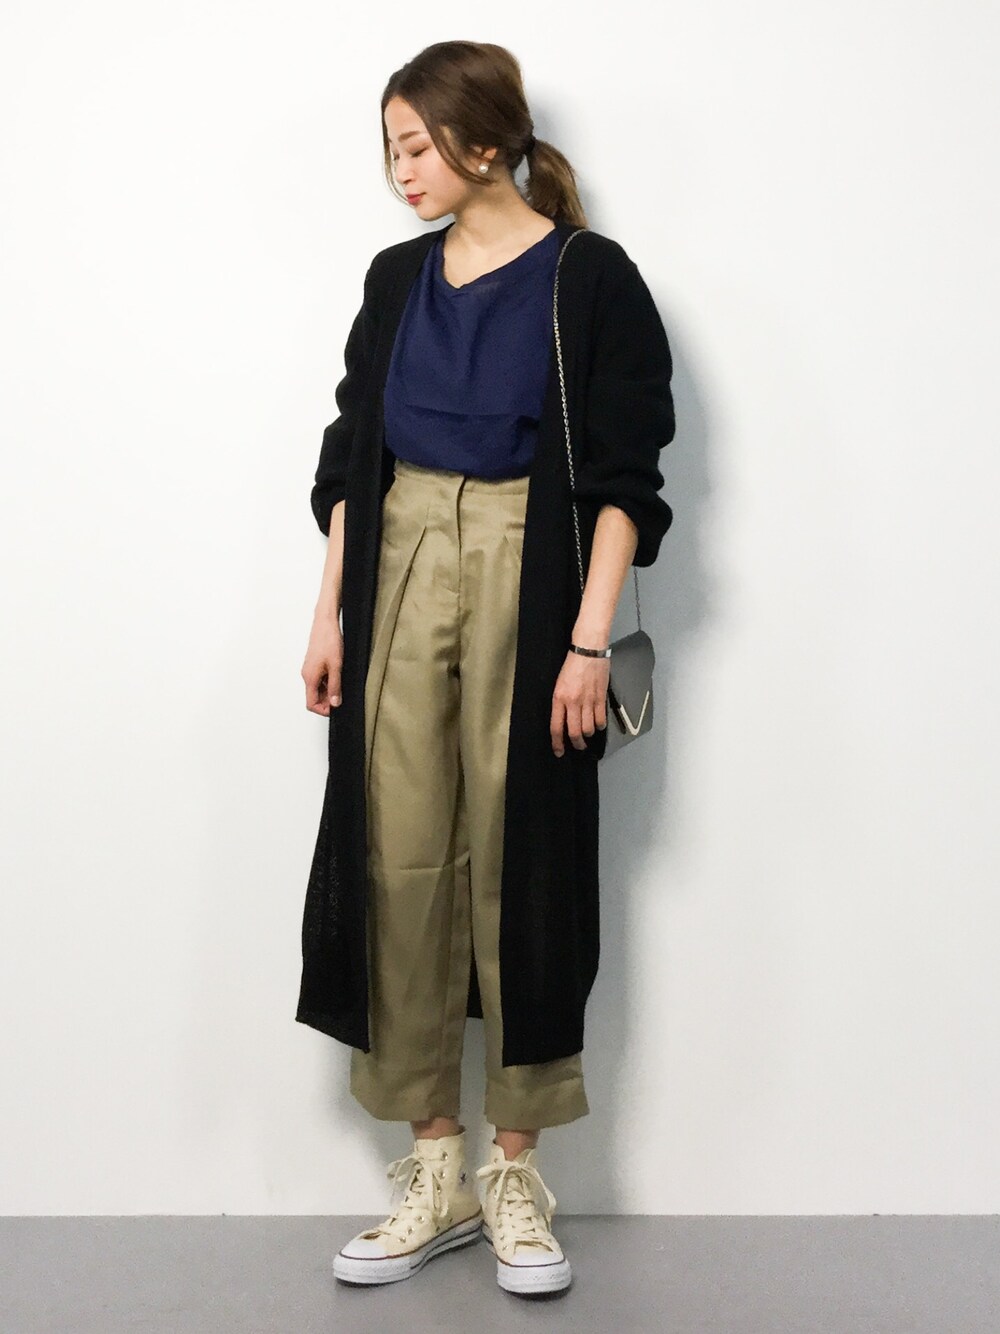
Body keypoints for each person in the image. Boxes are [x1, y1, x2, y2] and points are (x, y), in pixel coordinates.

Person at [297, 40, 675, 1298]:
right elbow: (351, 456)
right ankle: (434, 1165)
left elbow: (624, 479)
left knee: (525, 858)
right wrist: (329, 614)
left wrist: (586, 637)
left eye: (415, 145)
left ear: (485, 140)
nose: (399, 171)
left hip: (532, 569)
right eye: (389, 148)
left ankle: (514, 1169)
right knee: (398, 852)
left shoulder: (590, 278)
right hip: (399, 559)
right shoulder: (396, 278)